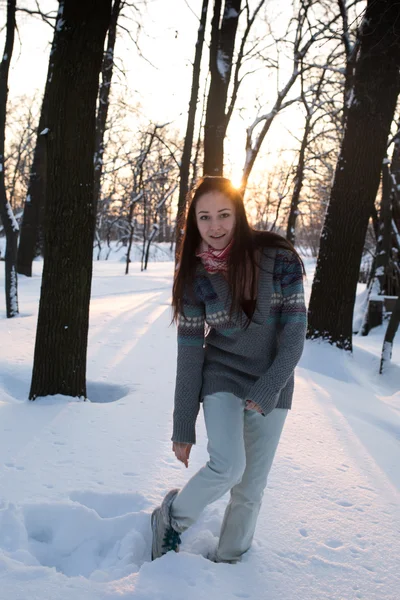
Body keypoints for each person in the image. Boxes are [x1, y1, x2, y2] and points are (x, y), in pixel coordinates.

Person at [151, 176, 307, 563]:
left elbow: (294, 333)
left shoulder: (279, 259)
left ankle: (230, 562)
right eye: (204, 218)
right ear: (194, 223)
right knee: (228, 466)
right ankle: (171, 520)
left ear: (239, 214)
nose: (215, 226)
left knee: (251, 487)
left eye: (224, 214)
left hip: (274, 379)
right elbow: (189, 355)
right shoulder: (195, 277)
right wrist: (182, 425)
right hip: (221, 374)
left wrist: (270, 386)